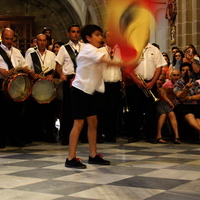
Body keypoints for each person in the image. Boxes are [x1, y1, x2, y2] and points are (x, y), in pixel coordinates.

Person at [65, 24, 123, 169]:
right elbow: (107, 61)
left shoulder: (95, 50)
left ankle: (93, 155)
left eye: (100, 34)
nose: (100, 37)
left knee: (93, 122)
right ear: (88, 37)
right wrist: (129, 62)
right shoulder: (88, 50)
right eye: (97, 35)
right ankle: (70, 158)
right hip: (80, 91)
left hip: (91, 91)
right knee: (78, 123)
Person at [123, 42, 167, 143]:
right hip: (135, 84)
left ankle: (151, 135)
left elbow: (159, 67)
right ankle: (134, 134)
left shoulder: (154, 49)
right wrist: (136, 81)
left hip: (150, 83)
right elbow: (127, 67)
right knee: (135, 110)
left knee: (150, 111)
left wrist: (152, 82)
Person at [0, 28, 35, 148]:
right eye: (6, 39)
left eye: (11, 39)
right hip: (1, 84)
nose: (9, 41)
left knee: (15, 113)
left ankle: (14, 139)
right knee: (2, 114)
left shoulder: (16, 51)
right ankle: (1, 140)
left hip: (15, 85)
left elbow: (24, 65)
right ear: (2, 37)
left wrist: (30, 72)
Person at [25, 33, 57, 143]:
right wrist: (33, 74)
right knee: (35, 113)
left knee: (49, 112)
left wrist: (52, 76)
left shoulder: (52, 55)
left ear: (47, 42)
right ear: (36, 41)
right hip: (36, 86)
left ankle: (49, 134)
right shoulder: (31, 54)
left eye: (44, 40)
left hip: (48, 86)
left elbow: (55, 69)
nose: (42, 42)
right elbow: (27, 69)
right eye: (40, 40)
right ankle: (35, 134)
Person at [55, 24, 84, 145]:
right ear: (69, 34)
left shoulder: (84, 47)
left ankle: (81, 136)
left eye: (77, 32)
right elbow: (57, 65)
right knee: (68, 109)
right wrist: (61, 74)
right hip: (69, 80)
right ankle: (66, 136)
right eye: (73, 32)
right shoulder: (64, 48)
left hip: (82, 80)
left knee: (81, 109)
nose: (76, 34)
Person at [96, 30, 122, 143]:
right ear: (105, 39)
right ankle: (99, 134)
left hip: (115, 83)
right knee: (101, 110)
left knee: (113, 110)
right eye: (109, 37)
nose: (111, 39)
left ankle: (110, 134)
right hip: (103, 84)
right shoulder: (100, 51)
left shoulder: (119, 51)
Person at [174, 62, 200, 141]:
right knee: (190, 115)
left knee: (198, 117)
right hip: (182, 105)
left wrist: (188, 98)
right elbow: (180, 96)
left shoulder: (195, 82)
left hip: (194, 104)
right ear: (181, 72)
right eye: (183, 70)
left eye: (187, 70)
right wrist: (186, 89)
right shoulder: (178, 83)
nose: (185, 72)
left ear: (191, 72)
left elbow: (199, 96)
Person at [156, 74, 180, 144]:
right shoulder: (153, 88)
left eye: (161, 80)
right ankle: (159, 136)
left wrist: (169, 102)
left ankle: (176, 136)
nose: (158, 81)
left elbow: (165, 97)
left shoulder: (162, 89)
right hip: (157, 105)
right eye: (157, 79)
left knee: (172, 114)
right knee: (163, 115)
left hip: (164, 103)